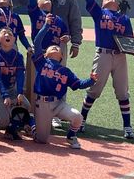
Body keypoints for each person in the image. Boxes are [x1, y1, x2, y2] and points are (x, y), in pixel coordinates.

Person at [80, 0, 134, 139]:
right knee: (94, 89)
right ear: (102, 5)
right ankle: (82, 120)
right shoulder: (99, 14)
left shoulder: (125, 18)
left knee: (123, 92)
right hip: (103, 55)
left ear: (117, 4)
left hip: (120, 57)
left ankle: (127, 126)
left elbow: (130, 41)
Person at [32, 14, 97, 149]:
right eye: (51, 47)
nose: (55, 47)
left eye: (57, 47)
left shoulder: (65, 71)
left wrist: (91, 80)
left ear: (62, 56)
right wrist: (46, 25)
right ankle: (31, 122)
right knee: (41, 140)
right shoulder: (41, 62)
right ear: (45, 54)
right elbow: (37, 42)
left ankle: (71, 136)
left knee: (78, 117)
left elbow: (78, 84)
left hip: (59, 104)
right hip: (42, 105)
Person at [0, 27, 30, 140]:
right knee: (2, 121)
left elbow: (21, 75)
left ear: (14, 39)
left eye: (10, 34)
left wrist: (20, 92)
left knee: (26, 106)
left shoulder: (18, 56)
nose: (7, 35)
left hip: (12, 88)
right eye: (4, 33)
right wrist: (5, 96)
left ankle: (11, 129)